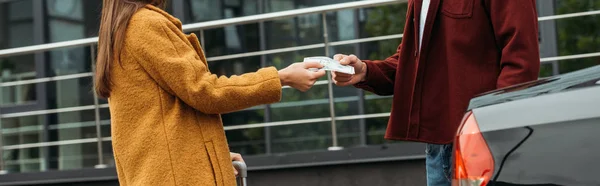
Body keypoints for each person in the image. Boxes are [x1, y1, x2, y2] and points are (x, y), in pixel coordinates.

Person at [94, 0, 326, 185]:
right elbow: (205, 91)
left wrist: (211, 157)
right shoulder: (146, 24)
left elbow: (159, 117)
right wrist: (281, 77)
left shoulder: (119, 31)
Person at [331, 0, 540, 185]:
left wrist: (488, 133)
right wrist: (365, 71)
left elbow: (521, 64)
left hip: (485, 147)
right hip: (438, 151)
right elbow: (413, 61)